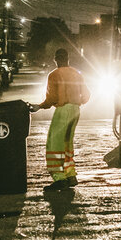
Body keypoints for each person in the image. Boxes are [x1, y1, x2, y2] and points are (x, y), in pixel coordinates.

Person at [30, 48, 91, 189]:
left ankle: (59, 179)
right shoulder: (77, 74)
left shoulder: (54, 75)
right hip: (76, 110)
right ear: (68, 59)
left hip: (62, 111)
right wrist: (76, 102)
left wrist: (39, 106)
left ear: (56, 59)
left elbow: (51, 98)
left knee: (54, 145)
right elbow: (87, 95)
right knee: (67, 144)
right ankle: (70, 175)